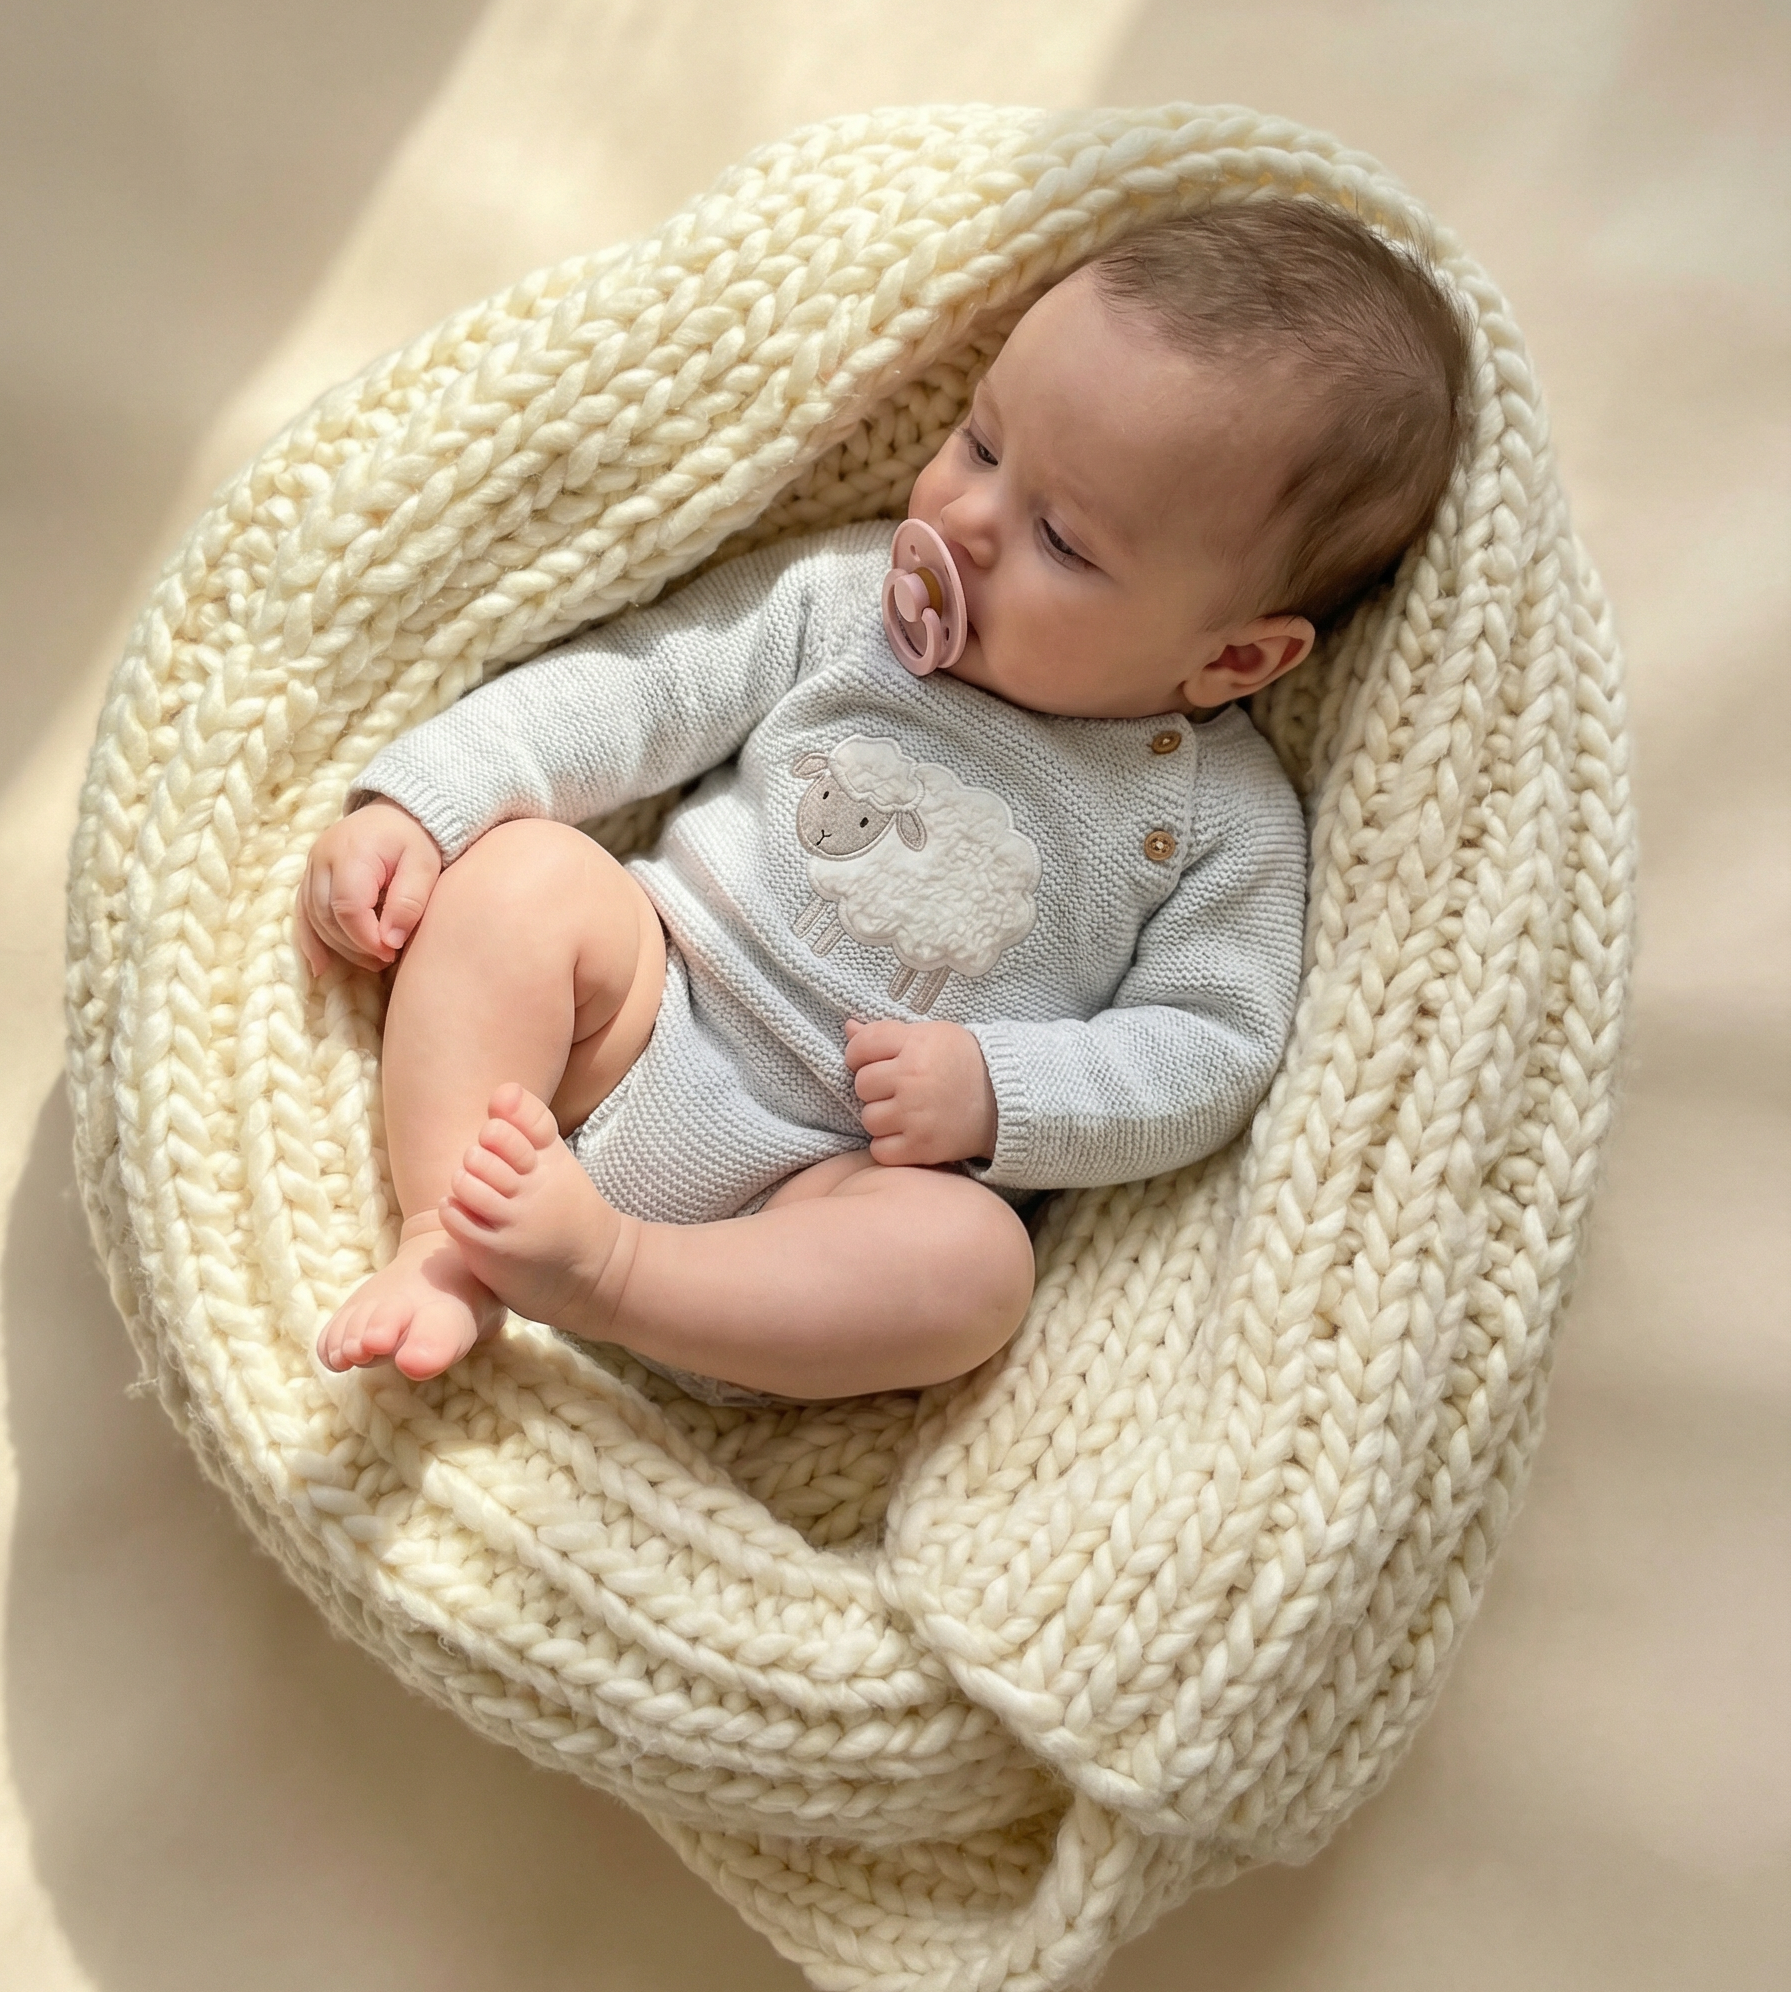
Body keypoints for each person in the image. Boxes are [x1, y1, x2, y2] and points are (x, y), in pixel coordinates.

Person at [300, 200, 1470, 1400]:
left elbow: (1212, 1049)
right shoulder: (848, 600)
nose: (963, 519)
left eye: (1060, 539)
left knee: (974, 1270)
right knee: (524, 877)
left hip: (827, 1192)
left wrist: (1002, 1089)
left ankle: (609, 1273)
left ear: (1230, 661)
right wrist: (426, 802)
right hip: (643, 1007)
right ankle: (447, 1245)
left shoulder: (1222, 818)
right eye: (981, 444)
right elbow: (644, 686)